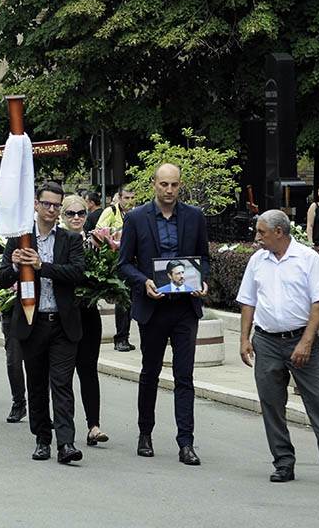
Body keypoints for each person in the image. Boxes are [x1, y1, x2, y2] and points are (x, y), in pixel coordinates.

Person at [237, 210, 319, 487]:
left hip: (302, 340)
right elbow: (248, 302)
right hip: (265, 341)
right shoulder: (257, 261)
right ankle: (283, 463)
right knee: (271, 404)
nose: (257, 238)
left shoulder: (307, 259)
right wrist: (244, 339)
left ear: (279, 232)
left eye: (262, 232)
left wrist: (306, 341)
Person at [118, 163, 209, 466]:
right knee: (150, 373)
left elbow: (203, 258)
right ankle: (145, 433)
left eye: (174, 185)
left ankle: (186, 443)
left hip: (185, 308)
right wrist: (143, 281)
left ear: (180, 185)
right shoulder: (135, 218)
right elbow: (124, 263)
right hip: (153, 308)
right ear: (154, 184)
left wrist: (202, 280)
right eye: (163, 185)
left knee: (185, 376)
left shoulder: (194, 217)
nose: (169, 191)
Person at [0, 182, 86, 464]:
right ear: (36, 205)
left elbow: (77, 274)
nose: (51, 210)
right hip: (30, 321)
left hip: (62, 323)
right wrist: (13, 265)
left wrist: (41, 267)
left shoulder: (70, 239)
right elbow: (1, 278)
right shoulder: (20, 239)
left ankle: (66, 443)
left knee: (61, 383)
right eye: (46, 204)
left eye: (56, 205)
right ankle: (42, 438)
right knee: (36, 384)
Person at [61, 194, 109, 447]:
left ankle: (94, 425)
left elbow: (107, 271)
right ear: (63, 215)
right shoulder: (57, 242)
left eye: (81, 213)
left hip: (89, 312)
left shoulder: (96, 241)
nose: (77, 218)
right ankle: (64, 427)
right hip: (64, 315)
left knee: (89, 370)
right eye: (71, 214)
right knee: (63, 374)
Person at [97, 185, 137, 352]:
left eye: (132, 198)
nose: (129, 201)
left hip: (137, 261)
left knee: (134, 300)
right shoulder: (110, 212)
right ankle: (121, 338)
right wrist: (117, 232)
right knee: (123, 300)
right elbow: (99, 231)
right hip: (118, 261)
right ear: (119, 198)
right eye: (126, 198)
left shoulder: (138, 213)